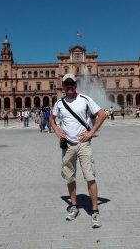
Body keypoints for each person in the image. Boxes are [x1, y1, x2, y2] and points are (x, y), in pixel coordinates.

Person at [50, 73, 107, 229]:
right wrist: (57, 132)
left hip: (83, 144)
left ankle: (95, 211)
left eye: (71, 83)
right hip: (67, 145)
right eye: (66, 84)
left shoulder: (85, 99)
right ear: (62, 86)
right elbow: (51, 118)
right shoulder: (59, 103)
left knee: (90, 177)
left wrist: (91, 132)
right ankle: (74, 207)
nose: (69, 86)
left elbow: (102, 114)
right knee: (70, 177)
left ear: (76, 85)